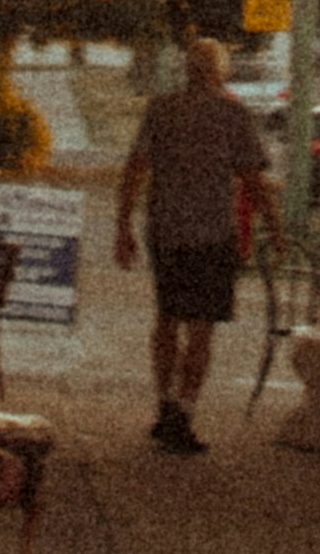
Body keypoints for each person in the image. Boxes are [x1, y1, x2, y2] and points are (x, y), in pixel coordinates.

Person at [114, 31, 278, 452]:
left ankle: (165, 402)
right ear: (220, 70)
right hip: (213, 234)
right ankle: (184, 411)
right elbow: (253, 179)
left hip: (166, 229)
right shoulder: (232, 114)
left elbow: (135, 167)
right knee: (201, 328)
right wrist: (275, 229)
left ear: (186, 69)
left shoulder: (161, 109)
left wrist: (123, 226)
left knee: (167, 319)